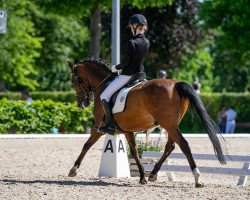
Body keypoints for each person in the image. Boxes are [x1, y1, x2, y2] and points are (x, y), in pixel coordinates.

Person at [98, 14, 150, 134]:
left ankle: (110, 125)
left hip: (128, 75)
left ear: (135, 26)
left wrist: (116, 67)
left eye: (132, 26)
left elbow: (126, 62)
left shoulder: (131, 43)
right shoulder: (147, 42)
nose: (131, 28)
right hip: (141, 75)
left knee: (104, 96)